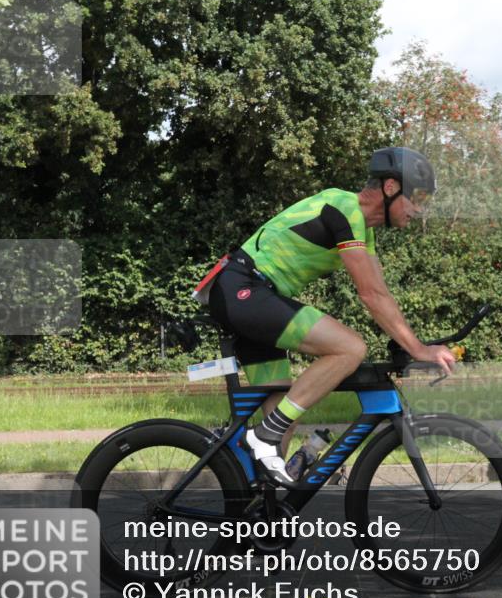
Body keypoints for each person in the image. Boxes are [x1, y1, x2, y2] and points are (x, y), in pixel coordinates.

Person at [194, 147, 455, 486]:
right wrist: (419, 350)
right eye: (417, 198)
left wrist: (413, 342)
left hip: (251, 294)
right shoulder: (344, 209)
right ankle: (263, 437)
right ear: (391, 188)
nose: (419, 210)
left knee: (281, 410)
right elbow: (370, 295)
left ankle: (257, 515)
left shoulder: (363, 229)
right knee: (349, 348)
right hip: (243, 288)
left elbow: (380, 292)